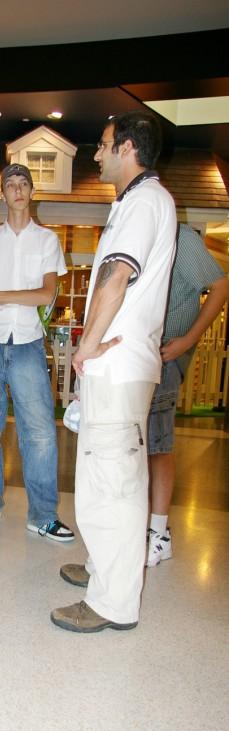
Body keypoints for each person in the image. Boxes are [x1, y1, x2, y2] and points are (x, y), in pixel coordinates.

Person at [52, 110, 177, 633]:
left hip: (117, 362)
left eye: (104, 146)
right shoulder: (137, 201)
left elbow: (116, 277)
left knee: (117, 481)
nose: (97, 154)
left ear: (128, 148)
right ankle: (106, 568)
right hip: (119, 364)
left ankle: (113, 602)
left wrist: (88, 345)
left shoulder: (146, 200)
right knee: (105, 474)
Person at [0, 163, 74, 543]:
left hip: (27, 341)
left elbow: (46, 295)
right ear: (3, 194)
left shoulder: (47, 240)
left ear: (31, 192)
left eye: (24, 183)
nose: (18, 189)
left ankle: (43, 515)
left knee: (40, 432)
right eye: (11, 184)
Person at [147, 224, 229, 566]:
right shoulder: (139, 230)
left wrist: (188, 339)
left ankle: (159, 533)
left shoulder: (180, 236)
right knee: (137, 446)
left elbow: (221, 286)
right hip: (138, 355)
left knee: (158, 445)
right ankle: (146, 527)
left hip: (164, 355)